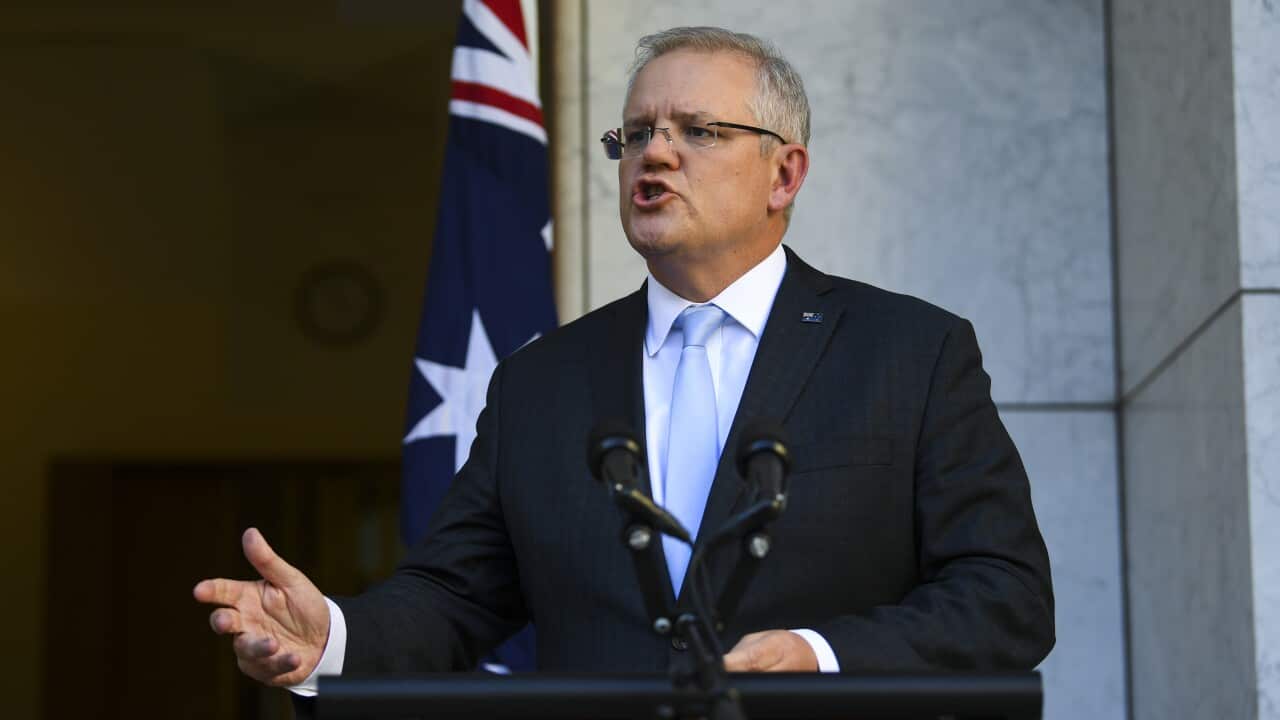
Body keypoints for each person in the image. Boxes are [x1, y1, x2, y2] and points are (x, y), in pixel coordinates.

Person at [195, 26, 1054, 692]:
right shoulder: (542, 381)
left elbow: (1004, 596)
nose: (656, 152)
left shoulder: (909, 351)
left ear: (784, 174)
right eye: (635, 132)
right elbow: (457, 596)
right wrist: (332, 638)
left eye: (699, 130)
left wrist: (819, 655)